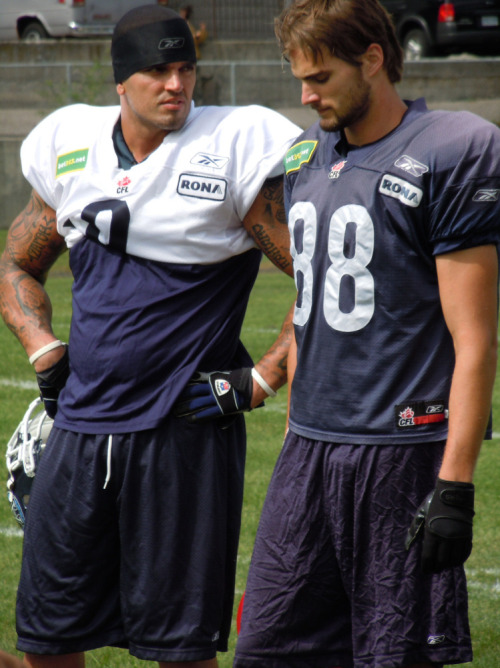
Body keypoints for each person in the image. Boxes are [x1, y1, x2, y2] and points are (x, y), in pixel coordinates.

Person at [0, 5, 300, 667]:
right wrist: (41, 346)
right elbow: (17, 262)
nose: (176, 85)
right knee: (48, 637)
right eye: (157, 72)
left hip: (181, 435)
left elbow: (324, 276)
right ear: (120, 80)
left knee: (181, 650)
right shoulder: (71, 145)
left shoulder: (233, 145)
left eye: (186, 69)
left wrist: (262, 378)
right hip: (80, 426)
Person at [234, 1, 500, 667]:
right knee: (269, 649)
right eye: (301, 77)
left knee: (392, 654)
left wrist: (455, 484)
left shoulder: (451, 149)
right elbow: (312, 310)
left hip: (400, 450)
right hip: (310, 447)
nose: (307, 94)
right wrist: (292, 429)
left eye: (321, 77)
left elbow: (475, 338)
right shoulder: (305, 156)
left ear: (373, 59)